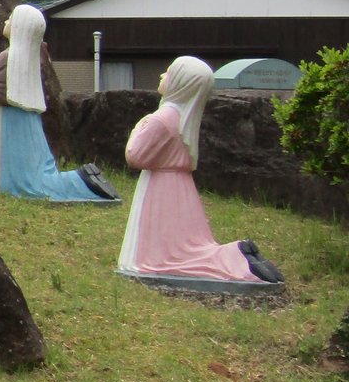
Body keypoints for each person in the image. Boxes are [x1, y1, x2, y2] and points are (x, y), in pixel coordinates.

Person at [117, 55, 282, 283]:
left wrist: (139, 127)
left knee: (167, 256)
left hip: (160, 190)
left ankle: (235, 258)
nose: (162, 75)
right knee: (186, 245)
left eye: (169, 72)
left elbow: (135, 155)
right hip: (182, 189)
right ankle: (235, 257)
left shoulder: (162, 118)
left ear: (180, 83)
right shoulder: (185, 118)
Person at [0, 4, 118, 202]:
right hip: (29, 121)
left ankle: (80, 181)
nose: (6, 21)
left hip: (11, 121)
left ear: (20, 26)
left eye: (11, 18)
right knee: (38, 168)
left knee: (25, 176)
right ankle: (79, 180)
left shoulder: (9, 56)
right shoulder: (33, 57)